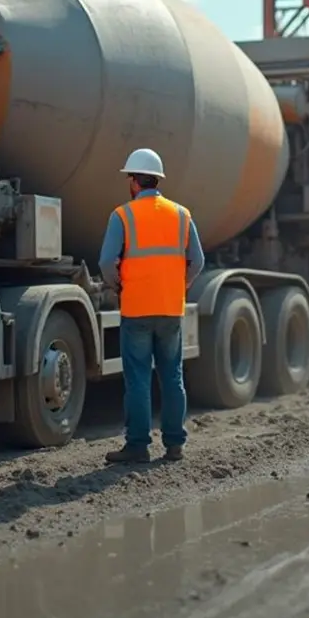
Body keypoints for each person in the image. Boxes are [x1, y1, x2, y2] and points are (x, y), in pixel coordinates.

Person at [99, 148, 206, 464]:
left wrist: (118, 285)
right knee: (172, 376)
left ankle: (137, 446)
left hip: (136, 310)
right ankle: (174, 446)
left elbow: (106, 262)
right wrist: (180, 284)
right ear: (157, 180)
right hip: (171, 308)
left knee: (138, 378)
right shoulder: (182, 215)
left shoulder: (122, 215)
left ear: (134, 182)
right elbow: (197, 261)